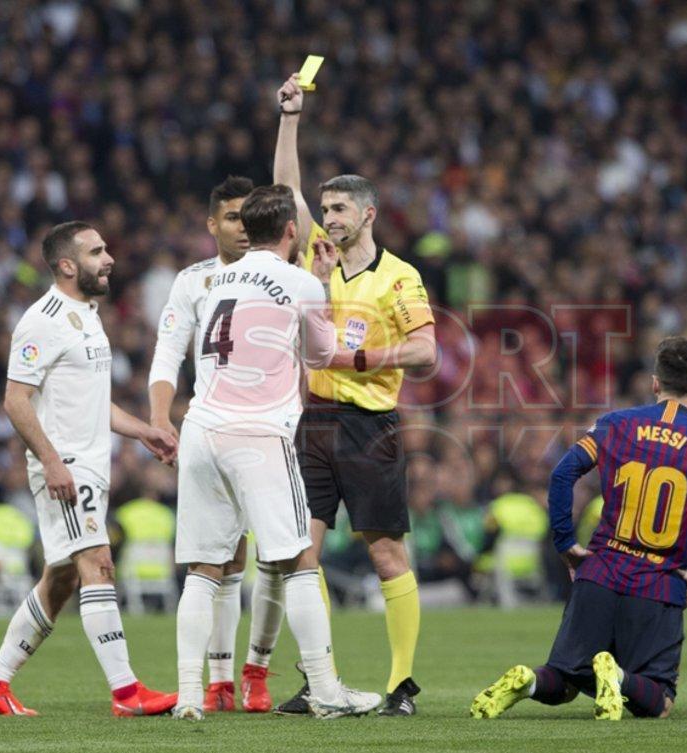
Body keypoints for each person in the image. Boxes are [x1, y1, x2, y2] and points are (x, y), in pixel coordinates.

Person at [169, 184, 381, 720]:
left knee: (204, 568)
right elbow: (323, 354)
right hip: (258, 434)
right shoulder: (300, 282)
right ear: (291, 231)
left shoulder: (213, 279)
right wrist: (327, 289)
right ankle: (328, 690)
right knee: (299, 559)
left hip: (200, 429)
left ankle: (191, 695)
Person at [470, 337, 687, 720]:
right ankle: (615, 675)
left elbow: (562, 473)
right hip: (657, 585)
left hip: (599, 574)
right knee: (660, 701)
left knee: (564, 680)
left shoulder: (616, 424)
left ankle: (530, 680)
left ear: (654, 383)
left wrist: (566, 542)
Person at [272, 72, 437, 717]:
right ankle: (322, 680)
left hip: (370, 424)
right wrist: (291, 118)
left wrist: (361, 356)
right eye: (324, 208)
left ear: (367, 214)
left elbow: (428, 351)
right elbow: (286, 186)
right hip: (313, 421)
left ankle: (401, 683)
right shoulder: (315, 257)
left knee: (385, 550)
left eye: (339, 209)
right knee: (302, 552)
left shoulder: (397, 278)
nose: (327, 218)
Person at [0, 221, 179, 717]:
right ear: (67, 265)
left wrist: (143, 430)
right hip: (64, 467)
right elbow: (14, 400)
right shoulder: (41, 319)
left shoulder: (87, 315)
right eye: (96, 251)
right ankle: (127, 693)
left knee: (61, 580)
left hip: (90, 462)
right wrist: (50, 460)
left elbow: (91, 402)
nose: (109, 258)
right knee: (98, 563)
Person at [148, 176, 286, 713]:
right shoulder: (193, 282)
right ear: (212, 225)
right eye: (232, 218)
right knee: (218, 558)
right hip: (214, 429)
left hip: (270, 429)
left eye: (250, 217)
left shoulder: (279, 276)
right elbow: (166, 354)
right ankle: (220, 681)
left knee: (264, 557)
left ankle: (252, 672)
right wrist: (160, 417)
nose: (244, 227)